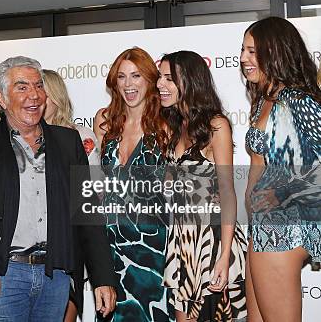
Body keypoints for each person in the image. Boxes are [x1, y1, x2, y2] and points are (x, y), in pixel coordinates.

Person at [0, 56, 117, 322]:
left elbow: (86, 214)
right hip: (2, 277)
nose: (34, 95)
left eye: (38, 86)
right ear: (1, 97)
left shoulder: (68, 142)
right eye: (22, 87)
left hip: (55, 275)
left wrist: (103, 277)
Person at [240, 17, 321, 322]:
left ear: (273, 53)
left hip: (281, 228)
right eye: (243, 50)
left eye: (252, 51)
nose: (244, 59)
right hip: (263, 226)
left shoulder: (297, 100)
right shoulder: (264, 101)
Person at [157, 50, 247, 322]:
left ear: (190, 82)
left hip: (215, 242)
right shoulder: (173, 127)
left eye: (169, 79)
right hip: (182, 247)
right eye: (160, 78)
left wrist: (223, 256)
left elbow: (227, 192)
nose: (160, 84)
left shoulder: (216, 126)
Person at [93, 47, 174, 322]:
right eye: (122, 77)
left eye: (136, 76)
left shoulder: (166, 127)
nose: (128, 84)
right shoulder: (104, 123)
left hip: (154, 250)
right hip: (111, 250)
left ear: (150, 80)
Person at [41, 69, 101, 322]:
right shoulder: (21, 136)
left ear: (56, 97)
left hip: (69, 245)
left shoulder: (81, 137)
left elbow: (94, 192)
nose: (36, 99)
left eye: (42, 92)